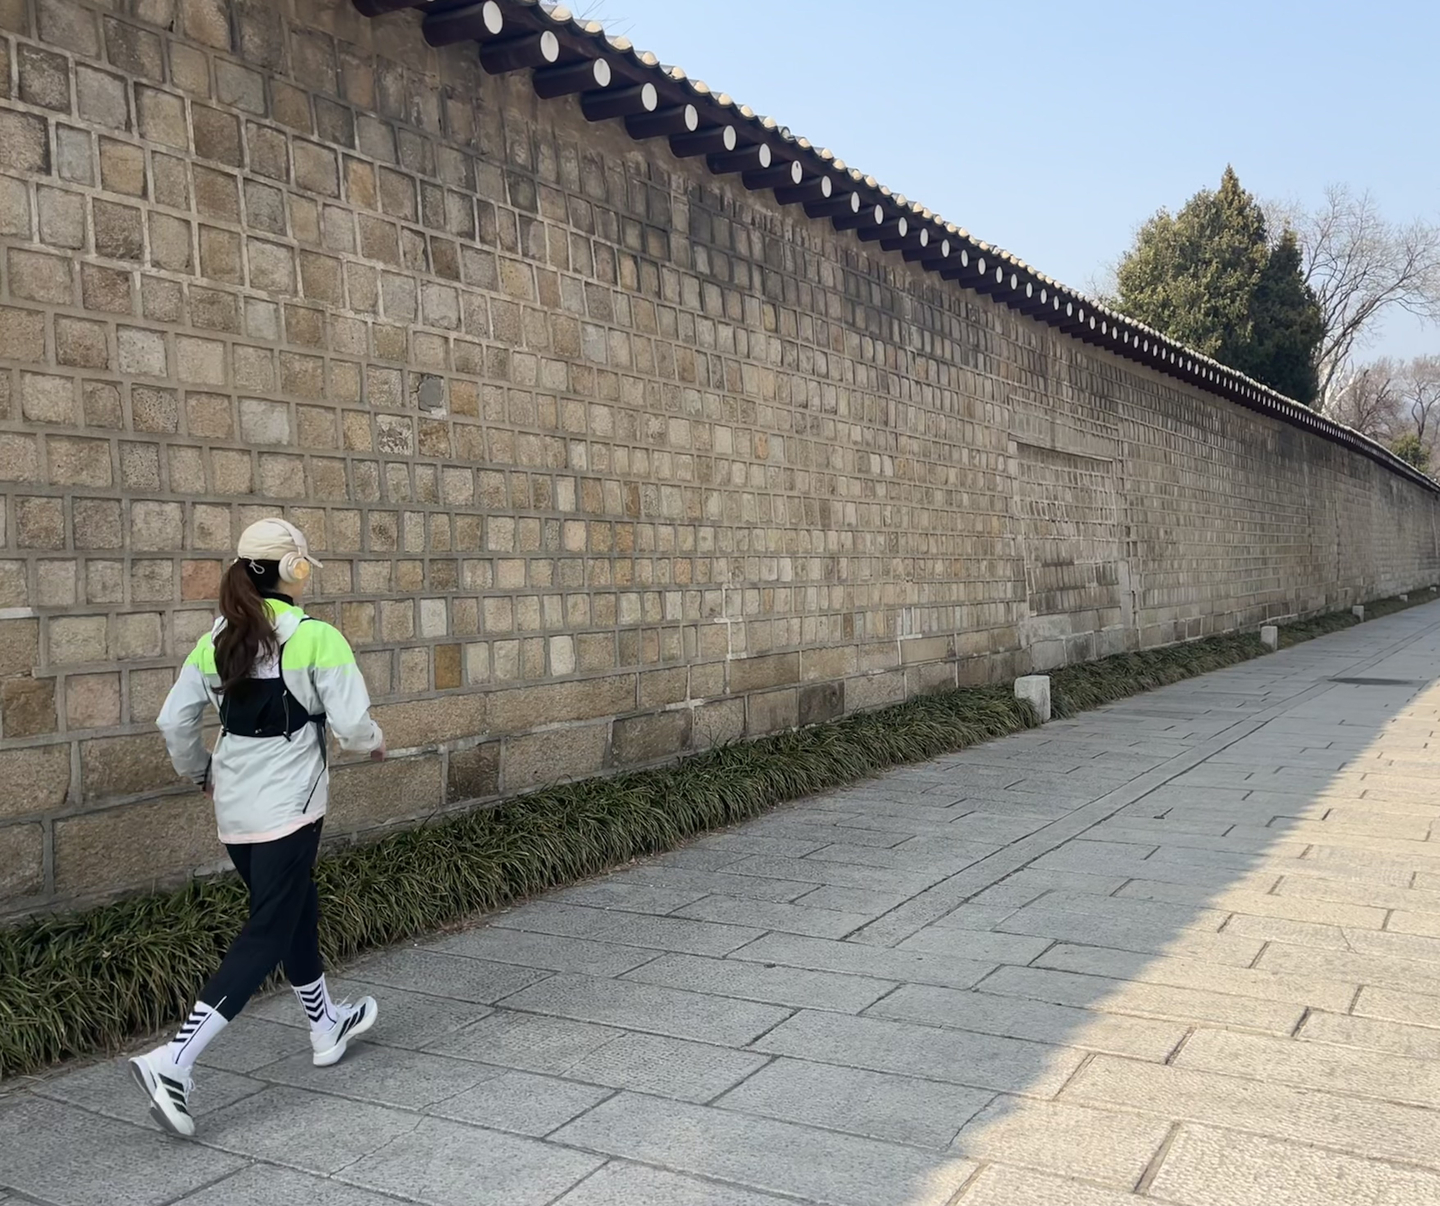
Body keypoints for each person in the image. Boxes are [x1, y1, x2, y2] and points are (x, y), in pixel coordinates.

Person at [130, 517, 387, 1138]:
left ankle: (326, 1025)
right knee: (270, 929)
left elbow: (174, 723)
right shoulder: (315, 637)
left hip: (236, 812)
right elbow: (352, 727)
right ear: (294, 570)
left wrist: (201, 773)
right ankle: (174, 1060)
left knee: (297, 908)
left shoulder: (214, 640)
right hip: (290, 811)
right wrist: (372, 743)